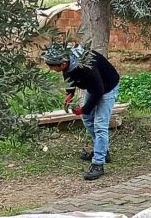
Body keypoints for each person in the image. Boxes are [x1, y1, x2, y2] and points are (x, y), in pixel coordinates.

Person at [42, 43, 120, 181]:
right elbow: (68, 76)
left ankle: (98, 164)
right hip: (95, 87)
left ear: (63, 63)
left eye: (51, 66)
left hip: (107, 87)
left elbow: (98, 91)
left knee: (100, 125)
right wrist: (69, 94)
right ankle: (101, 151)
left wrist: (83, 109)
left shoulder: (86, 67)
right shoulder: (68, 62)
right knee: (87, 118)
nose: (50, 68)